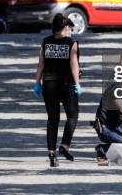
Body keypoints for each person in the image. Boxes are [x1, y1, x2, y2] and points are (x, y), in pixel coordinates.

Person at [33, 14, 81, 167]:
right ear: (66, 27)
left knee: (52, 120)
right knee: (72, 116)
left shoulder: (46, 42)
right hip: (66, 85)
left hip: (49, 84)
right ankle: (65, 145)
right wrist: (77, 84)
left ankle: (52, 154)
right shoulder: (71, 43)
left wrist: (37, 82)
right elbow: (74, 65)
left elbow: (41, 64)